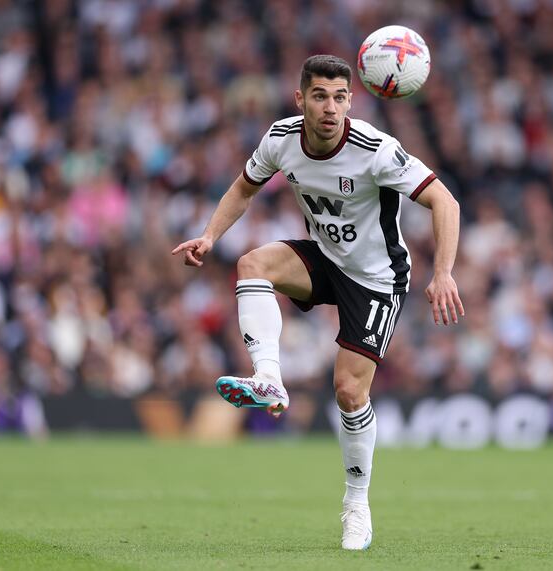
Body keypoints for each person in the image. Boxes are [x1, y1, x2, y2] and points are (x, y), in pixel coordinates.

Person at [172, 54, 464, 550]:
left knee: (349, 393)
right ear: (300, 99)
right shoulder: (282, 139)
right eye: (321, 96)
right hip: (326, 259)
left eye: (340, 97)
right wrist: (208, 236)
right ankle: (268, 378)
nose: (331, 107)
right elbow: (244, 189)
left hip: (375, 278)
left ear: (351, 101)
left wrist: (443, 273)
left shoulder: (375, 149)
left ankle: (356, 505)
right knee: (251, 265)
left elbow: (445, 201)